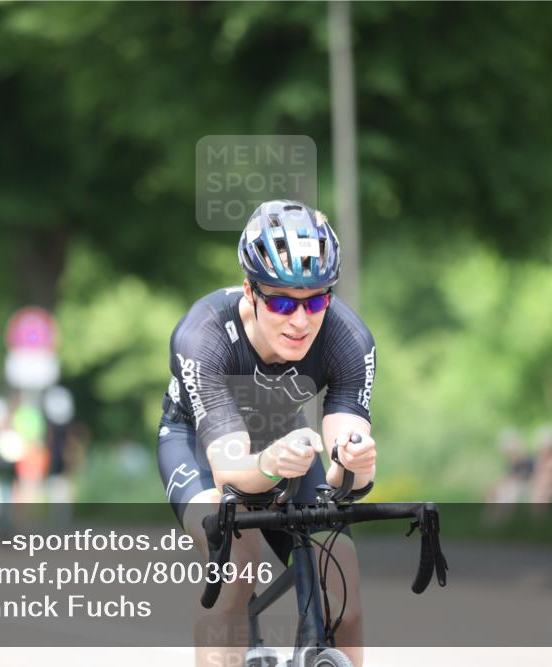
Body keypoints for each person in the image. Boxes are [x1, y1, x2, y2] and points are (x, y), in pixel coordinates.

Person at [157, 200, 378, 667]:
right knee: (237, 567)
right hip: (199, 445)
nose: (300, 320)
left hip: (283, 438)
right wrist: (270, 464)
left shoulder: (348, 338)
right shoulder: (203, 334)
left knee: (344, 592)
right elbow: (231, 472)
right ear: (249, 291)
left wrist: (353, 464)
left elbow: (347, 469)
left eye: (315, 300)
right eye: (280, 302)